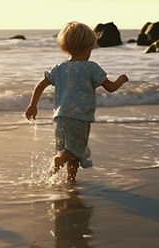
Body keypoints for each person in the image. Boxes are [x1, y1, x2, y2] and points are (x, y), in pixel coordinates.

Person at [25, 21, 128, 182]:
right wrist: (121, 80)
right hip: (80, 117)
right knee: (76, 150)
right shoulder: (91, 67)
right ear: (88, 46)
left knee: (69, 150)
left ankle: (69, 180)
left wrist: (33, 105)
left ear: (65, 47)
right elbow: (111, 87)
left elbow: (40, 85)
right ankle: (59, 162)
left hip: (61, 116)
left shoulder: (59, 68)